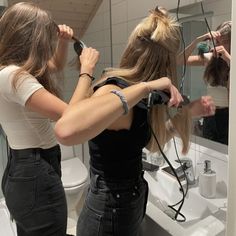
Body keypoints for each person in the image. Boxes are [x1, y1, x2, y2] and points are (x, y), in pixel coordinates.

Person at [55, 6, 215, 236]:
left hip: (130, 199)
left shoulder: (137, 97)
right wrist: (146, 86)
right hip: (110, 207)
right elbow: (65, 130)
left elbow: (150, 144)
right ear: (163, 66)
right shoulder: (114, 90)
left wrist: (187, 112)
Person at [0, 2, 99, 236]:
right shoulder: (15, 76)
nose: (47, 43)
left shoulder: (9, 72)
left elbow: (54, 66)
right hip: (36, 175)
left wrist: (63, 42)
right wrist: (86, 71)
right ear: (30, 37)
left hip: (23, 171)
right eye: (45, 36)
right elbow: (71, 117)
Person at [177, 21, 231, 145]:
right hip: (210, 115)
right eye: (216, 41)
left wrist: (228, 59)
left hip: (229, 117)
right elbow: (180, 60)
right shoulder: (210, 59)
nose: (217, 45)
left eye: (222, 41)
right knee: (212, 153)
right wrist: (197, 40)